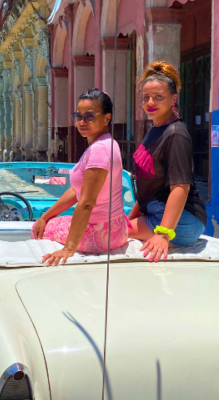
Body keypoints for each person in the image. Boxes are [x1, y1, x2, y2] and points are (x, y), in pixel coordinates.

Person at [33, 89, 127, 265]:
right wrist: (45, 216)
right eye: (78, 115)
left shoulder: (99, 149)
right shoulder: (107, 143)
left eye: (90, 116)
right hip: (116, 231)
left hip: (99, 236)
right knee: (46, 222)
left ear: (107, 118)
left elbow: (87, 202)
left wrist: (68, 249)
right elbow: (76, 191)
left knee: (35, 229)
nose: (82, 122)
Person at [128, 61, 207, 261]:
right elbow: (147, 185)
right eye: (146, 97)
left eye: (158, 97)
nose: (150, 102)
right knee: (111, 228)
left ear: (174, 99)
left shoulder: (175, 133)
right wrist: (131, 217)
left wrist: (164, 234)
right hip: (158, 213)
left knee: (108, 233)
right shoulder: (156, 129)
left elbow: (181, 187)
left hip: (181, 221)